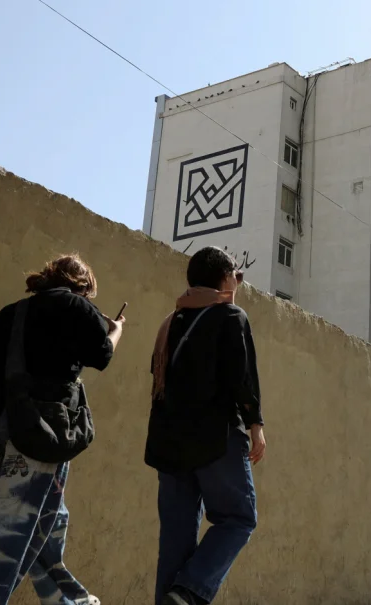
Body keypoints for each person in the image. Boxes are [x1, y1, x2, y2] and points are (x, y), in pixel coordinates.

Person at [0, 254, 125, 605]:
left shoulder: (14, 312)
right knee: (14, 522)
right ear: (83, 286)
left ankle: (69, 601)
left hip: (0, 428)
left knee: (46, 521)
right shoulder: (78, 307)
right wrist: (116, 330)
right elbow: (103, 356)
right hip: (41, 432)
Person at [147, 246, 266, 605]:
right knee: (238, 518)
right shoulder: (230, 315)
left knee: (176, 539)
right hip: (215, 437)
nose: (238, 281)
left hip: (168, 442)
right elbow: (241, 376)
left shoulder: (170, 323)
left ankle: (174, 597)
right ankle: (190, 590)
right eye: (236, 275)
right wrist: (255, 424)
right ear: (225, 278)